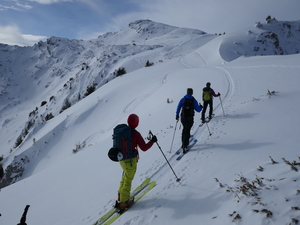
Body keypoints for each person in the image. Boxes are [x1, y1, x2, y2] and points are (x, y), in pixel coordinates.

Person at [117, 114, 157, 211]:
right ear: (137, 123)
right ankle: (124, 202)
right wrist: (152, 141)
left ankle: (120, 195)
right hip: (130, 161)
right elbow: (144, 147)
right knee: (128, 180)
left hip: (121, 159)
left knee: (125, 177)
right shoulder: (135, 134)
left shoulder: (122, 130)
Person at [176, 88, 202, 153]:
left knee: (184, 130)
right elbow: (198, 110)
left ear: (187, 92)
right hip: (190, 118)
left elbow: (178, 107)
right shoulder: (193, 100)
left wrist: (177, 115)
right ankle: (185, 146)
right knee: (187, 131)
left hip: (183, 118)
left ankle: (183, 143)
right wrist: (201, 107)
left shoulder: (183, 99)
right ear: (192, 93)